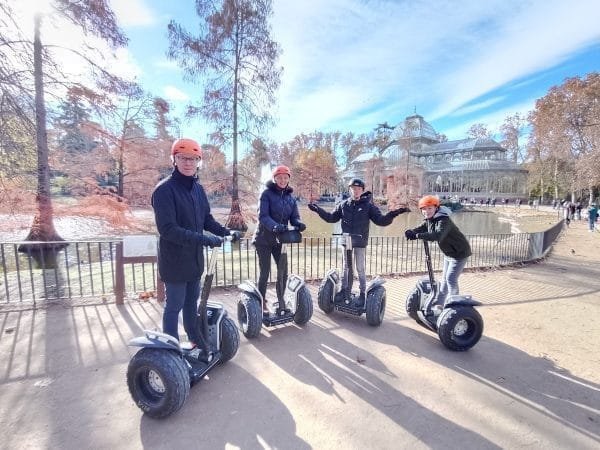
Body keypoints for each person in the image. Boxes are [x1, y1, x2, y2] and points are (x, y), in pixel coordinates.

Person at [151, 138, 239, 353]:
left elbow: (206, 220)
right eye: (183, 158)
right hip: (174, 261)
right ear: (174, 159)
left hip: (194, 260)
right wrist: (205, 240)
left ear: (199, 161)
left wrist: (226, 232)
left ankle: (195, 340)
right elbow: (168, 229)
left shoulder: (197, 189)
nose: (188, 163)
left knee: (192, 303)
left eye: (193, 159)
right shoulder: (164, 190)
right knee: (174, 306)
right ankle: (171, 351)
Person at [308, 178, 410, 306]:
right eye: (353, 189)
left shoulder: (369, 206)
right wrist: (318, 210)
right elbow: (331, 218)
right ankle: (344, 290)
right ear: (350, 190)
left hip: (360, 242)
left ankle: (362, 293)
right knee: (346, 267)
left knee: (360, 268)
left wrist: (395, 213)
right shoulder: (344, 204)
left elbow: (381, 221)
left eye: (358, 189)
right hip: (346, 241)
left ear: (362, 190)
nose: (355, 191)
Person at [252, 165, 306, 312]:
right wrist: (275, 226)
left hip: (280, 240)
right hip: (263, 238)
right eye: (279, 177)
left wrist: (299, 224)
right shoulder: (266, 194)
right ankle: (261, 300)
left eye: (285, 177)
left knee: (283, 271)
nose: (282, 180)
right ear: (274, 179)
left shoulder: (291, 199)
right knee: (265, 272)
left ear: (288, 179)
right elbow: (263, 216)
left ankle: (280, 300)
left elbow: (294, 217)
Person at [404, 195, 471, 308]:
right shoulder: (430, 220)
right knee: (444, 279)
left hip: (459, 253)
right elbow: (422, 227)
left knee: (450, 279)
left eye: (429, 208)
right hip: (448, 253)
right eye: (424, 209)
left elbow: (438, 235)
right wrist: (411, 231)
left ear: (436, 208)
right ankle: (439, 303)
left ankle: (455, 304)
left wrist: (417, 235)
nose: (426, 211)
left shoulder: (443, 220)